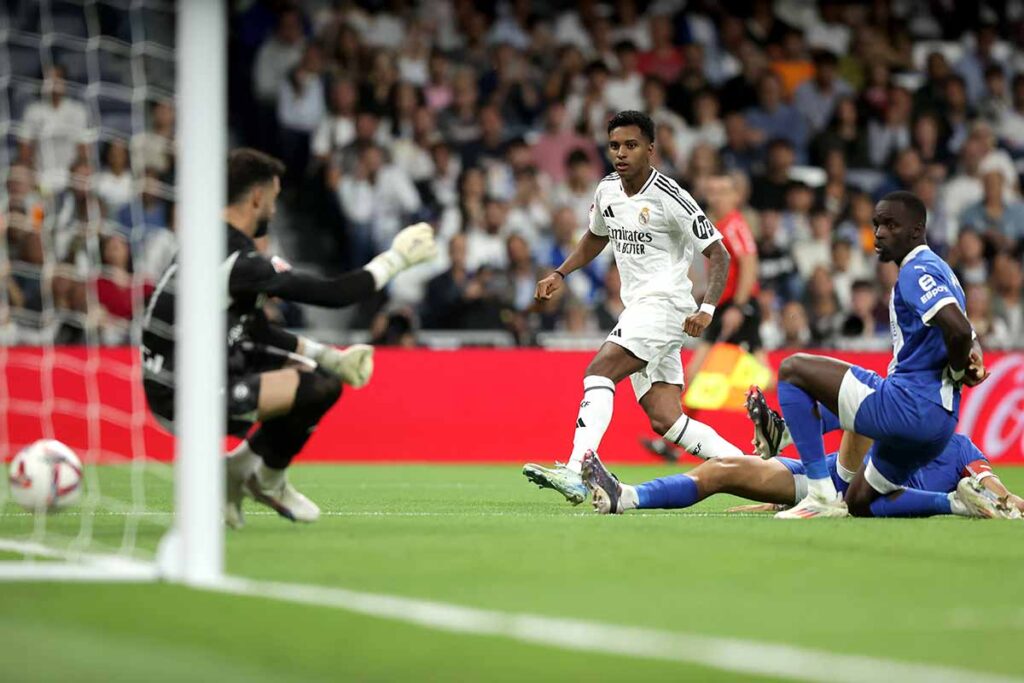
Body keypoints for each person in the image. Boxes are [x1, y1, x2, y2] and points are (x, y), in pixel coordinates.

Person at [141, 149, 438, 529]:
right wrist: (397, 259)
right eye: (274, 199)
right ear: (257, 198)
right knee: (317, 389)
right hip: (186, 397)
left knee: (322, 376)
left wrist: (330, 357)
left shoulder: (205, 245)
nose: (275, 210)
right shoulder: (240, 262)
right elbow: (334, 294)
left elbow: (253, 329)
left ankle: (235, 472)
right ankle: (267, 481)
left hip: (177, 379)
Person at [521, 110, 740, 505]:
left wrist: (707, 309)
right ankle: (758, 471)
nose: (621, 153)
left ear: (650, 149)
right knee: (666, 419)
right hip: (639, 308)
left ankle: (576, 471)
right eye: (614, 146)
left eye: (631, 145)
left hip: (666, 305)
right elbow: (595, 237)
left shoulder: (671, 196)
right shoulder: (607, 190)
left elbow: (719, 253)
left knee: (599, 370)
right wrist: (561, 273)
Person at [767, 192, 985, 519]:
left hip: (908, 405)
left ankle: (819, 494)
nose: (880, 233)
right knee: (860, 501)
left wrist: (956, 370)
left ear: (917, 230)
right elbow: (968, 335)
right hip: (941, 422)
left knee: (792, 369)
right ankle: (957, 503)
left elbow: (959, 331)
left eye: (891, 225)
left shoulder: (915, 271)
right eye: (877, 224)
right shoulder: (943, 271)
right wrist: (970, 363)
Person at [582, 431, 1022, 519]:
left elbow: (997, 491)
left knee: (858, 410)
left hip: (846, 489)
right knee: (720, 470)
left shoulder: (960, 448)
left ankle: (782, 429)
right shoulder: (900, 421)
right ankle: (627, 495)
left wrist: (1010, 504)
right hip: (815, 475)